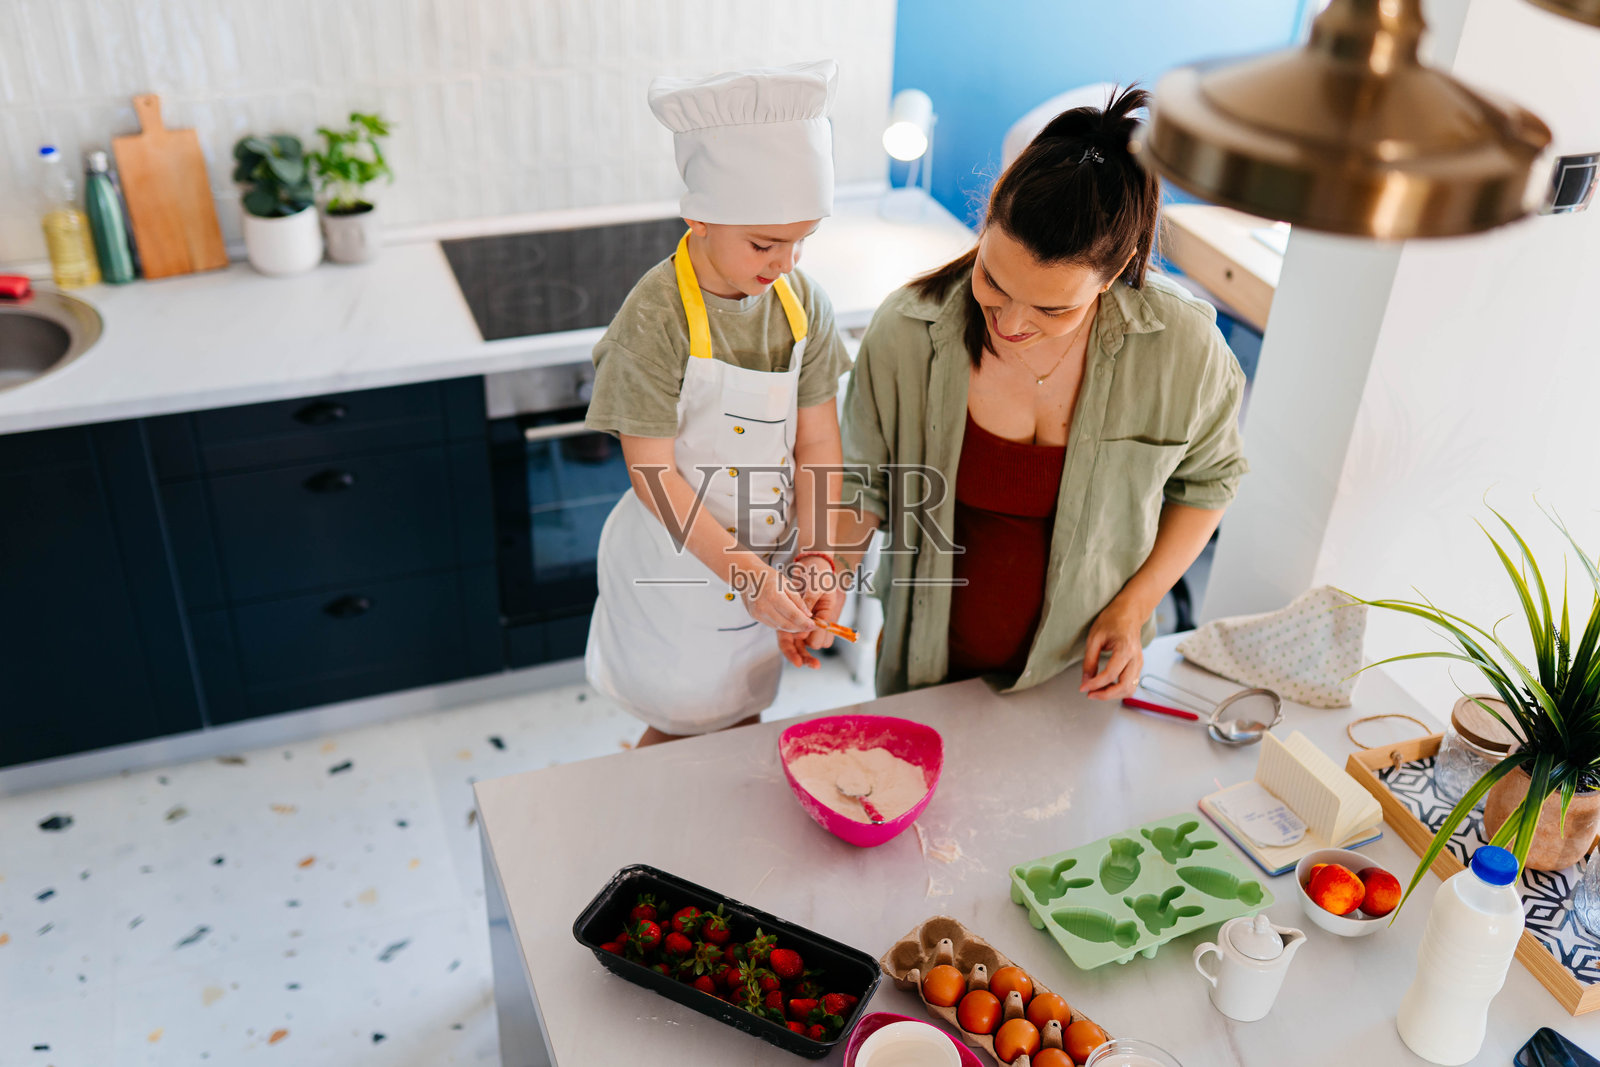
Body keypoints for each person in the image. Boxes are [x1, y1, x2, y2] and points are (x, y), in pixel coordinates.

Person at [832, 86, 1249, 700]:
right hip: (927, 673)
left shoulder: (1182, 350)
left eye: (1054, 308)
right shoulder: (906, 331)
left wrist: (1135, 607)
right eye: (993, 281)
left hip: (1079, 676)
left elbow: (1210, 482)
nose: (1011, 323)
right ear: (990, 210)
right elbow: (862, 483)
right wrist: (831, 569)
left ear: (1115, 272)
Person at [584, 60, 852, 746]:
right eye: (765, 243)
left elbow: (818, 442)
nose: (785, 263)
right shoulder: (655, 317)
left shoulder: (802, 305)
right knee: (680, 732)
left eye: (800, 241)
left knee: (739, 720)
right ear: (699, 217)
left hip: (767, 560)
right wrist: (745, 572)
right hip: (678, 572)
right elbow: (651, 472)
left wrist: (817, 553)